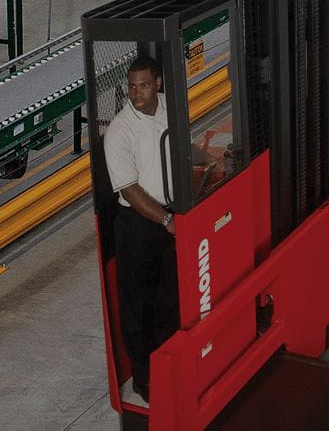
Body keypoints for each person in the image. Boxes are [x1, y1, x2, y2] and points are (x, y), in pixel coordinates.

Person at [102, 55, 179, 402]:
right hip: (138, 226)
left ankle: (170, 368)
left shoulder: (170, 107)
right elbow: (130, 191)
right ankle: (145, 380)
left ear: (158, 83)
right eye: (132, 87)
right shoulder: (119, 131)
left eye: (144, 85)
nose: (136, 94)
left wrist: (211, 160)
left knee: (169, 301)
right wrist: (166, 220)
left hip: (169, 218)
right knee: (137, 307)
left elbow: (177, 148)